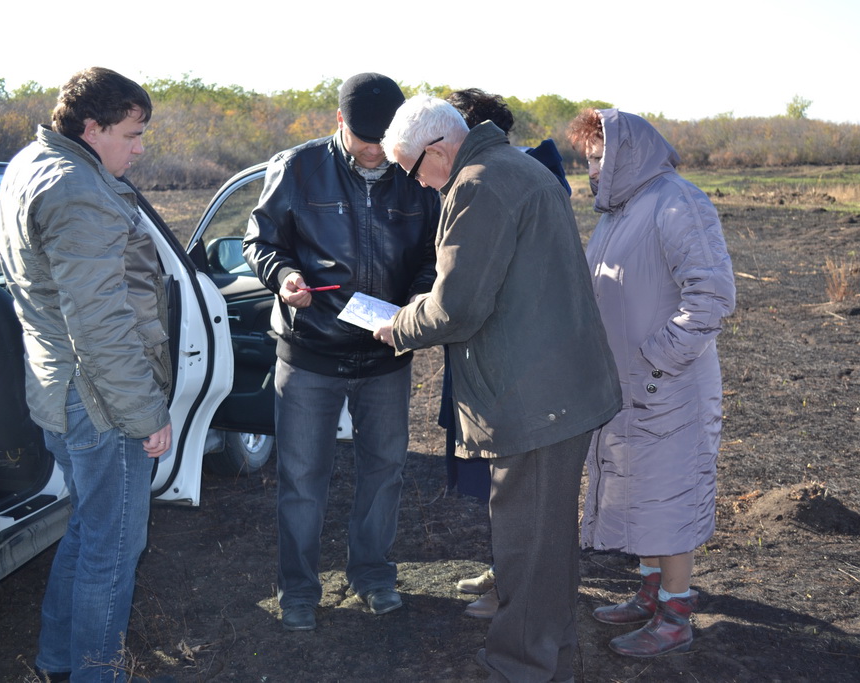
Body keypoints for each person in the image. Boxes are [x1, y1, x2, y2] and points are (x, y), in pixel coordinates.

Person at [375, 95, 621, 683]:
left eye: (413, 170)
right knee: (548, 543)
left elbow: (458, 307)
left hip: (534, 398)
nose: (419, 185)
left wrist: (399, 325)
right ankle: (551, 653)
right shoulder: (518, 167)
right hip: (558, 389)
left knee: (526, 548)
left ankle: (516, 666)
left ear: (437, 149)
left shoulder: (478, 184)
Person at [243, 73, 439, 632]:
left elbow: (432, 254)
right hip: (309, 352)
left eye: (387, 137)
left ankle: (373, 575)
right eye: (364, 136)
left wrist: (416, 304)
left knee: (385, 471)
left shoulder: (415, 176)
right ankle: (298, 590)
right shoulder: (297, 167)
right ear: (338, 122)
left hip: (387, 355)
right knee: (302, 479)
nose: (377, 149)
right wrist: (284, 277)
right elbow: (260, 241)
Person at [0, 67, 172, 682]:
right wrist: (148, 414)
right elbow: (99, 325)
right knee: (113, 548)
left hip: (57, 391)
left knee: (88, 531)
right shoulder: (78, 191)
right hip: (99, 404)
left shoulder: (30, 163)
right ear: (92, 128)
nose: (140, 147)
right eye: (132, 134)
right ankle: (98, 673)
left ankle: (57, 660)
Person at [566, 108, 736, 657]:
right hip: (627, 388)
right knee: (640, 493)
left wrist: (658, 361)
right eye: (587, 160)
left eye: (597, 158)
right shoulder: (621, 212)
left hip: (669, 388)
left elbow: (710, 296)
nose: (590, 170)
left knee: (670, 498)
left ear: (626, 155)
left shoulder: (678, 202)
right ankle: (649, 592)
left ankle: (676, 614)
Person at [442, 88, 576, 620]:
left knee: (519, 488)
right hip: (479, 356)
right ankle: (505, 572)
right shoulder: (494, 177)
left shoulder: (501, 182)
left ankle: (516, 595)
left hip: (516, 363)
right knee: (495, 484)